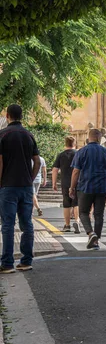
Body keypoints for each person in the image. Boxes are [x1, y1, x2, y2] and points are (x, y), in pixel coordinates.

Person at [0, 104, 40, 273]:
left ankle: (7, 263)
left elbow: (0, 162)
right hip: (25, 186)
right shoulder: (29, 135)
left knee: (8, 225)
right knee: (27, 224)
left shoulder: (2, 135)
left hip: (8, 186)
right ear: (21, 116)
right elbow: (37, 161)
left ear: (7, 115)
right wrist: (30, 178)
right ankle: (26, 261)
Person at [69, 129, 106, 250]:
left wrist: (72, 187)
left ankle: (91, 233)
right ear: (100, 139)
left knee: (83, 212)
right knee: (99, 214)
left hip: (85, 186)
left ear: (89, 138)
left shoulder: (82, 151)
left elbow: (75, 171)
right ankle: (96, 241)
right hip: (102, 187)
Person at [52, 136, 80, 233]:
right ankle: (77, 221)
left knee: (66, 204)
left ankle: (67, 225)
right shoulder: (78, 154)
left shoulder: (61, 155)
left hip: (65, 182)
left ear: (65, 143)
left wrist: (54, 183)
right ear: (75, 143)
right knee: (76, 203)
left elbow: (55, 170)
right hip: (78, 182)